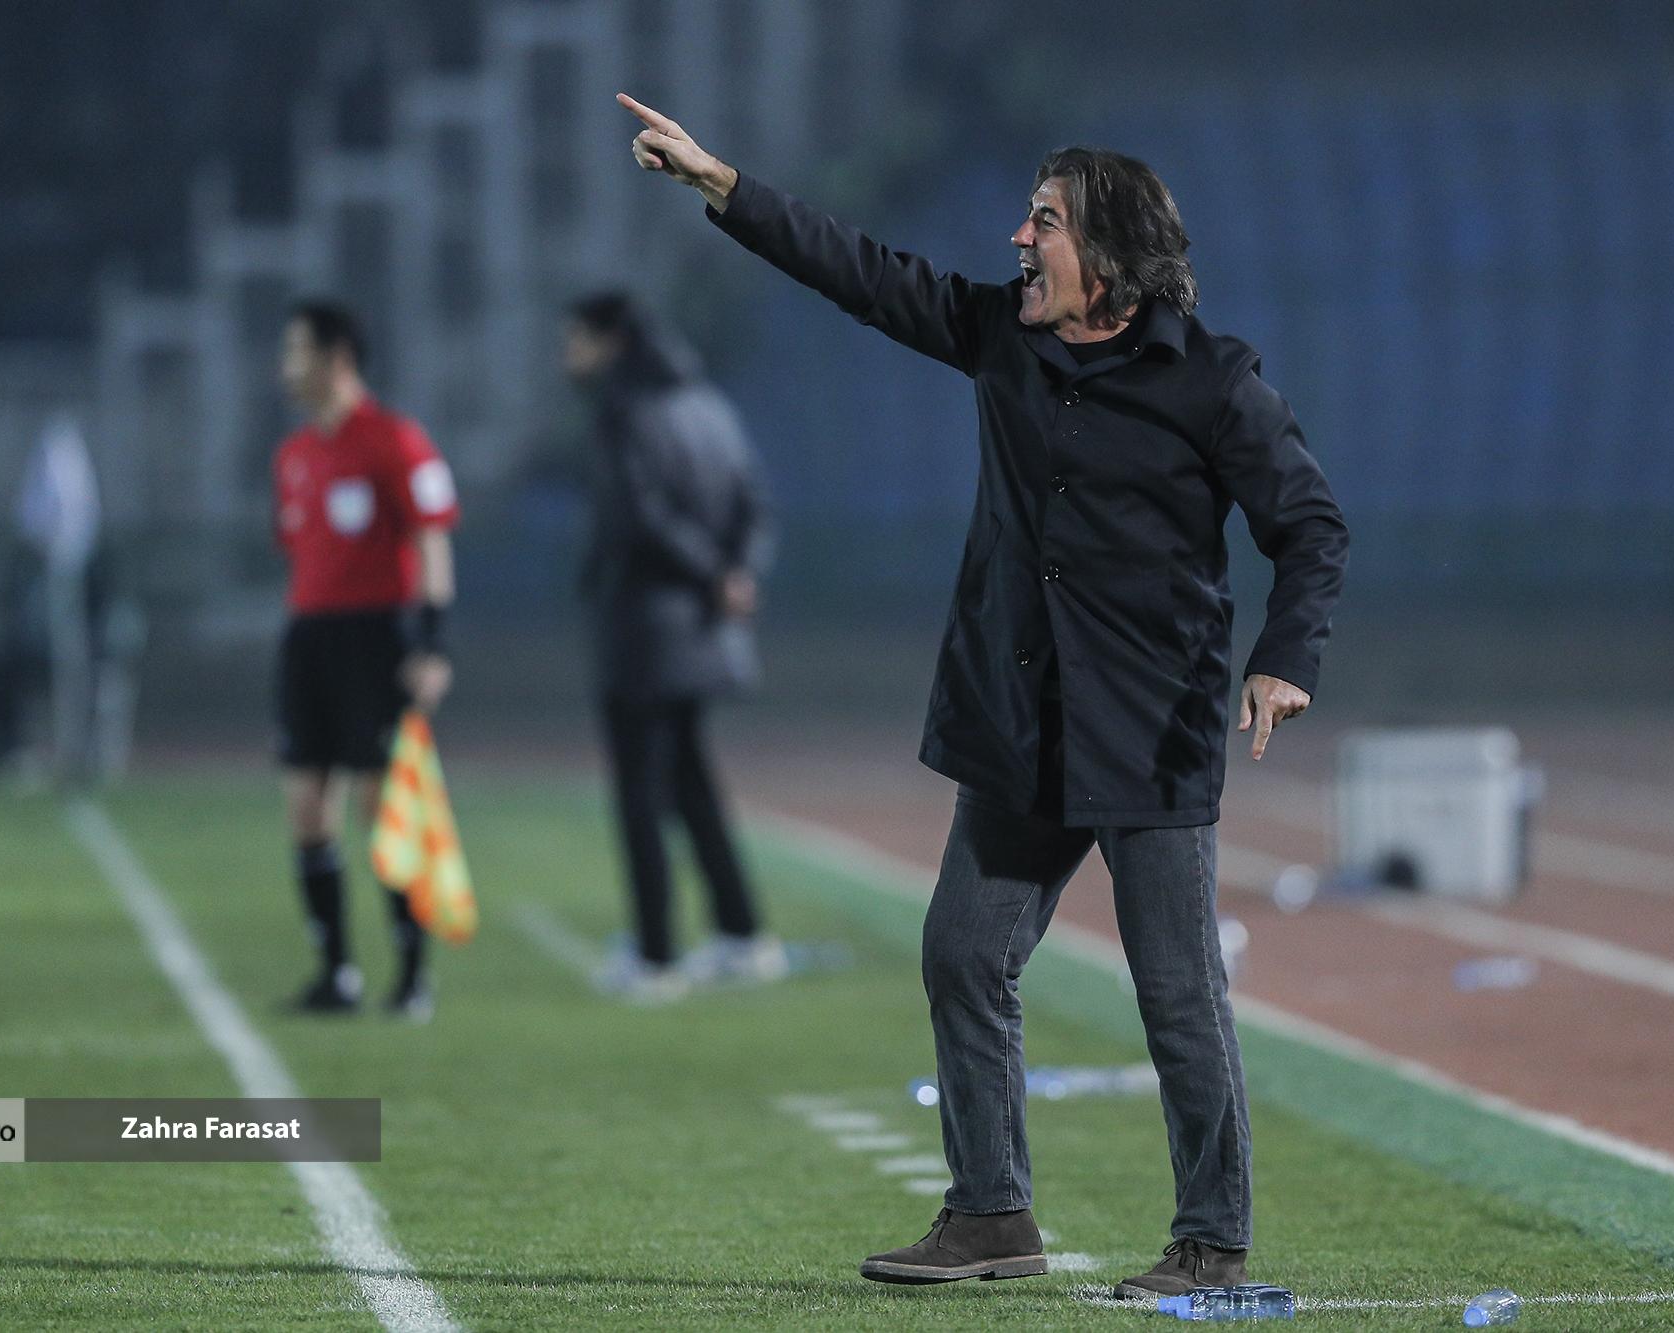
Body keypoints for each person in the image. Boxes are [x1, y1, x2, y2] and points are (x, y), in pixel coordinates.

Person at [619, 95, 1348, 1297]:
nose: (1018, 238)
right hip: (1020, 722)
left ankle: (1211, 1242)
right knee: (961, 953)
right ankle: (990, 1214)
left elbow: (1309, 524)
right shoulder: (1002, 338)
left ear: (1106, 253)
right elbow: (861, 273)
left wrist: (1284, 658)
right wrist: (721, 184)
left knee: (1176, 996)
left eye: (1043, 221)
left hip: (1149, 731)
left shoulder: (1212, 382)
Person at [563, 290, 781, 1003]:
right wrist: (735, 573)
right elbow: (755, 504)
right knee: (691, 783)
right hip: (707, 627)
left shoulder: (622, 411)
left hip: (645, 628)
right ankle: (742, 934)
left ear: (611, 340)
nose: (569, 353)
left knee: (640, 793)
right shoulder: (709, 405)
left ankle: (656, 956)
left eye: (577, 338)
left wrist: (712, 572)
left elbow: (639, 516)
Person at [273, 300, 459, 1020]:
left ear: (337, 358)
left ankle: (412, 977)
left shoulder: (395, 440)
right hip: (308, 638)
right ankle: (336, 974)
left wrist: (432, 644)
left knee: (379, 806)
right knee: (306, 806)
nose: (285, 368)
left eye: (296, 352)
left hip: (376, 638)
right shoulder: (294, 455)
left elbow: (432, 539)